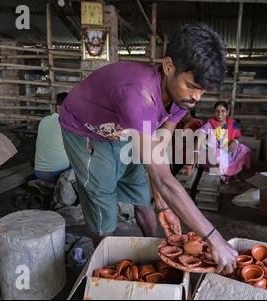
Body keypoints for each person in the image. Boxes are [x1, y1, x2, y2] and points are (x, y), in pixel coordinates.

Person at [59, 23, 237, 274]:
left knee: (143, 195)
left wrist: (162, 204)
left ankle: (155, 256)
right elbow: (163, 178)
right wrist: (213, 237)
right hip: (88, 130)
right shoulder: (138, 96)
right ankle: (108, 272)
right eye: (192, 86)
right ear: (168, 67)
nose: (197, 97)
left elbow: (158, 152)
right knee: (103, 203)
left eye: (203, 90)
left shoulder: (180, 98)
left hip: (125, 127)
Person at [201, 101, 251, 183]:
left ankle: (232, 172)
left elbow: (239, 136)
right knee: (218, 156)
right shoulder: (209, 124)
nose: (220, 113)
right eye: (217, 111)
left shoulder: (233, 123)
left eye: (223, 111)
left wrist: (235, 141)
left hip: (228, 150)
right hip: (213, 153)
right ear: (214, 112)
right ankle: (222, 174)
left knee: (244, 149)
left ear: (227, 112)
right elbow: (200, 138)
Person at [34, 92, 70, 183]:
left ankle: (45, 184)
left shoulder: (43, 121)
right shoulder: (67, 124)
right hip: (56, 173)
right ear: (60, 107)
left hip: (38, 172)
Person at [171, 109, 203, 177]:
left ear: (189, 112)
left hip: (188, 160)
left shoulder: (197, 124)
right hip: (176, 158)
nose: (181, 116)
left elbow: (199, 143)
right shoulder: (179, 123)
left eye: (184, 113)